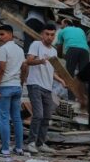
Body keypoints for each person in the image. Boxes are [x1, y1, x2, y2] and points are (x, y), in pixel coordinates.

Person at [25, 23, 66, 154]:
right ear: (42, 34)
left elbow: (51, 71)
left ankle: (40, 143)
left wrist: (60, 80)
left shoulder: (53, 51)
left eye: (52, 35)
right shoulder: (36, 45)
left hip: (47, 87)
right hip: (35, 84)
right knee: (38, 114)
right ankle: (30, 143)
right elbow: (29, 61)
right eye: (47, 34)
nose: (49, 37)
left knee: (47, 116)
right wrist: (41, 61)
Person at [0, 25, 26, 157]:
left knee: (4, 118)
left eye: (2, 34)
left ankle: (5, 149)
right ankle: (19, 148)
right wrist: (21, 83)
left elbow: (1, 68)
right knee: (17, 118)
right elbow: (25, 67)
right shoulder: (20, 49)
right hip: (17, 86)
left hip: (5, 86)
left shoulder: (3, 49)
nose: (0, 37)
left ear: (11, 35)